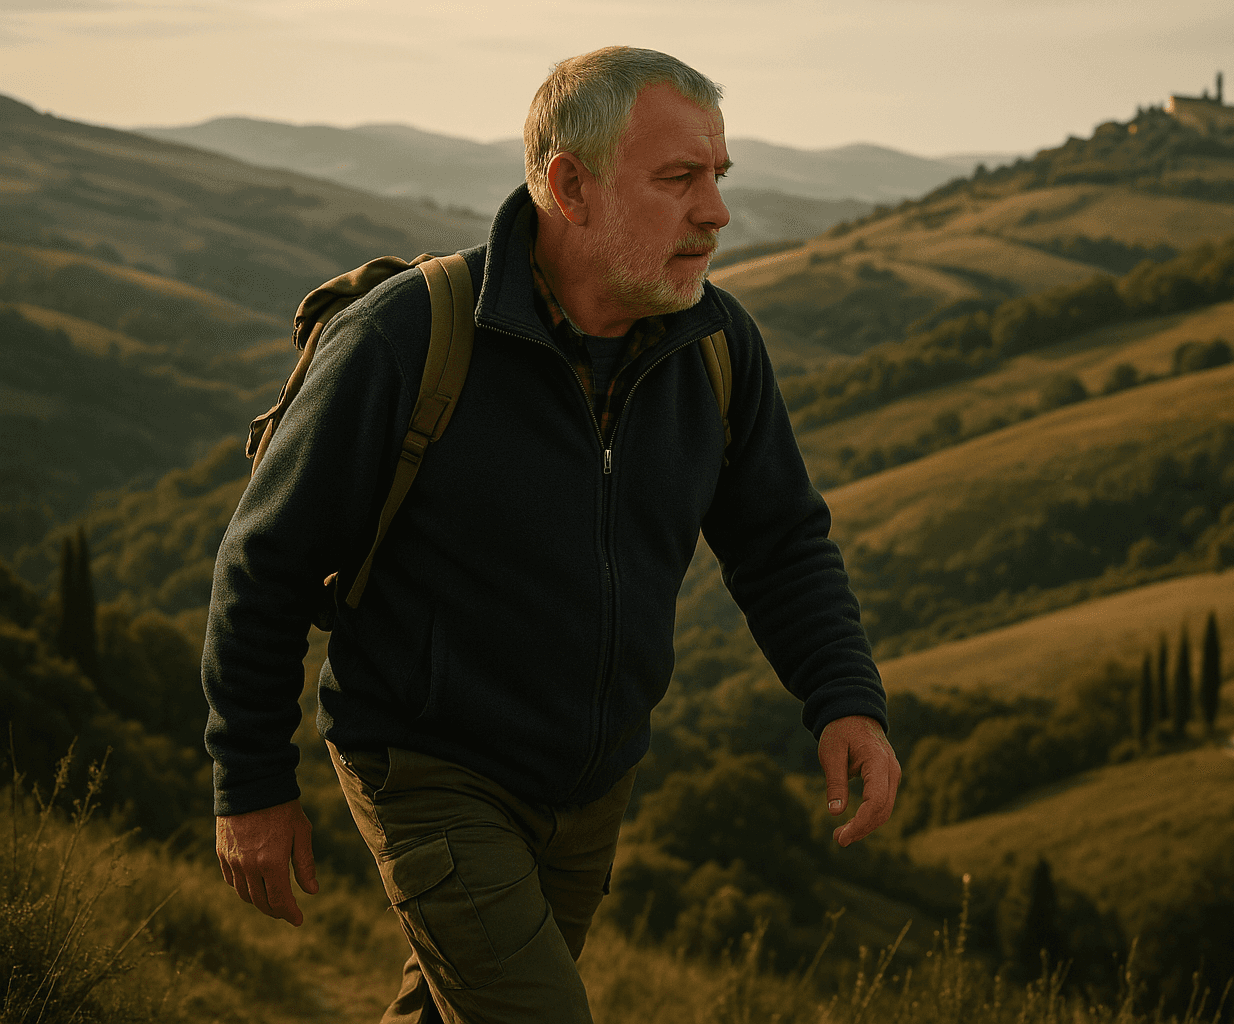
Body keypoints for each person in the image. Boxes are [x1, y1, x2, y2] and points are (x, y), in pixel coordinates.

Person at [203, 45, 900, 1023]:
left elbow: (780, 541)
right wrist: (251, 782)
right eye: (678, 179)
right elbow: (263, 564)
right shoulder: (410, 337)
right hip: (426, 764)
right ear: (570, 185)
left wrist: (845, 698)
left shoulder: (715, 347)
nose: (717, 212)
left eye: (719, 177)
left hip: (591, 788)